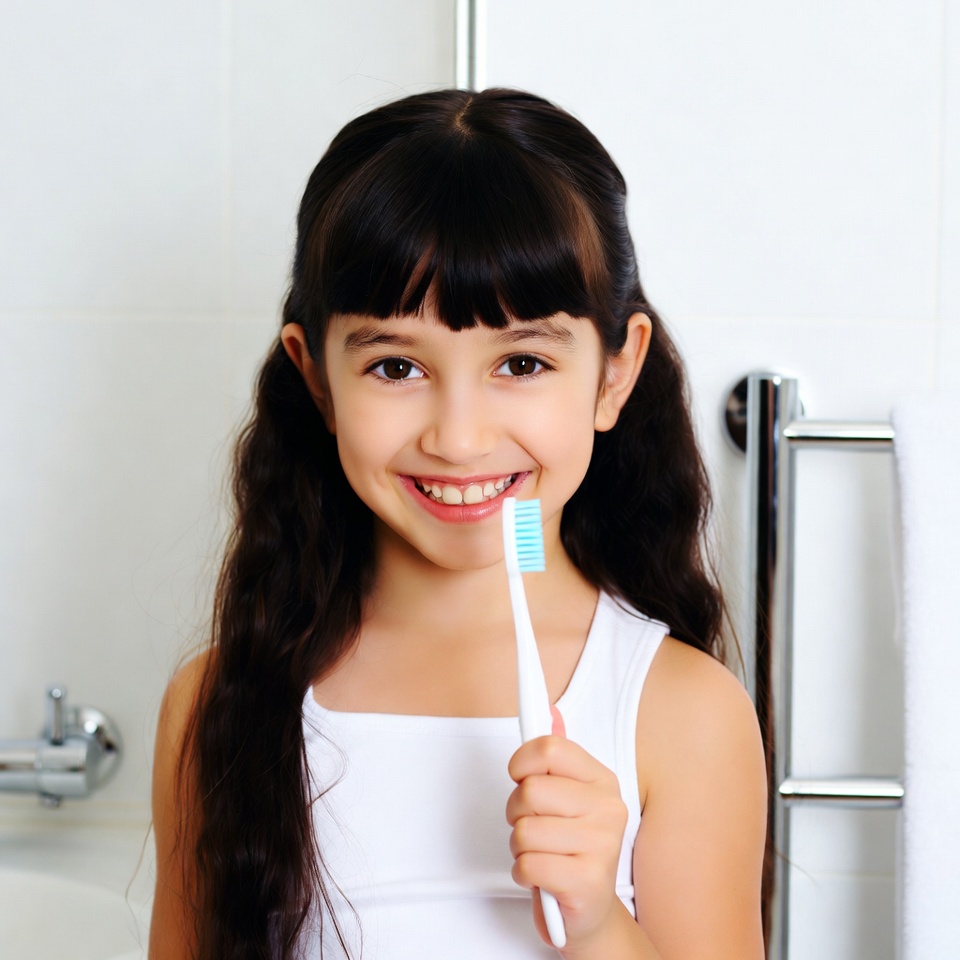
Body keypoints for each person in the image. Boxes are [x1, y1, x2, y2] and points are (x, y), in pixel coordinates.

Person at [149, 88, 767, 960]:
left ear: (614, 374)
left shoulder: (683, 713)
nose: (460, 438)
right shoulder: (221, 703)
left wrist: (597, 920)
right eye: (396, 367)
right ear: (316, 378)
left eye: (522, 362)